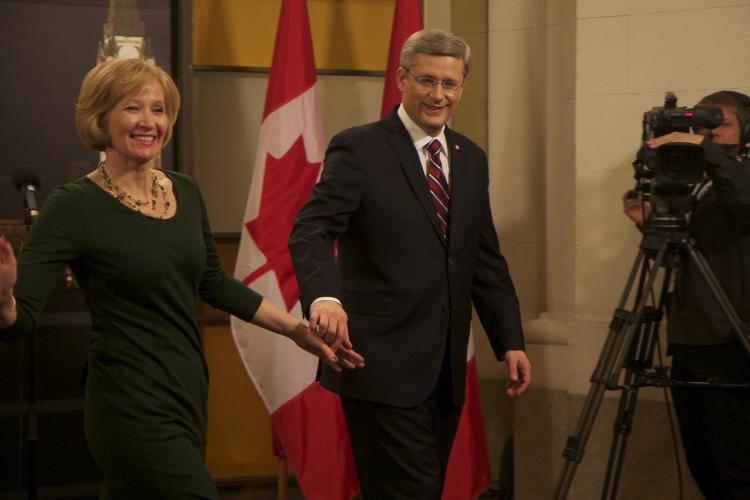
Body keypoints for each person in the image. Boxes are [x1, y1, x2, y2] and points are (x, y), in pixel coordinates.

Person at [0, 58, 364, 499]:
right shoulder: (71, 205)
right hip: (127, 398)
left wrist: (295, 330)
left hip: (187, 390)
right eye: (133, 108)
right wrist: (4, 297)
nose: (149, 121)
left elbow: (213, 283)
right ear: (101, 118)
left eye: (159, 109)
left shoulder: (184, 190)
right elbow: (20, 322)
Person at [288, 29, 531, 499]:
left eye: (450, 84)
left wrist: (510, 340)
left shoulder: (471, 159)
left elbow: (484, 259)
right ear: (402, 78)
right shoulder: (359, 149)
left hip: (444, 370)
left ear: (461, 88)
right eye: (426, 80)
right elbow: (311, 230)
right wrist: (325, 296)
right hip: (379, 365)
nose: (439, 94)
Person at [623, 90, 750, 499]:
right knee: (703, 460)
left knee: (737, 466)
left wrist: (707, 150)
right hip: (689, 335)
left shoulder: (737, 177)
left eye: (721, 124)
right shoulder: (697, 182)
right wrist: (649, 223)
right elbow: (691, 252)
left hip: (733, 341)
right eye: (702, 126)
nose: (710, 133)